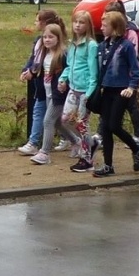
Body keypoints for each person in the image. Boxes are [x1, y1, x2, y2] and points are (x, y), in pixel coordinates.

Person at [87, 10, 139, 177]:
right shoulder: (103, 46)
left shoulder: (126, 46)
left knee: (114, 125)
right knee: (105, 128)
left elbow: (135, 69)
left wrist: (131, 87)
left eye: (105, 25)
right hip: (107, 90)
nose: (102, 28)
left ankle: (136, 148)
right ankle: (108, 166)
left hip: (121, 91)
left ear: (115, 28)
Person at [18, 9, 65, 155]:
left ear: (45, 23)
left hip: (54, 89)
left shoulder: (59, 49)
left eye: (37, 20)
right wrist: (27, 70)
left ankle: (43, 149)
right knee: (44, 115)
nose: (35, 23)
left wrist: (31, 71)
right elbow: (34, 59)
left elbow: (39, 63)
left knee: (52, 119)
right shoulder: (40, 42)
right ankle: (34, 143)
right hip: (42, 87)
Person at [28, 22, 72, 165]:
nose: (47, 40)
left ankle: (44, 153)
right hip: (47, 93)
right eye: (45, 37)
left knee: (48, 121)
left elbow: (69, 71)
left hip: (58, 94)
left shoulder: (63, 54)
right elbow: (39, 72)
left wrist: (64, 83)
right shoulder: (45, 54)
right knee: (58, 123)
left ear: (58, 38)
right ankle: (78, 142)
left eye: (51, 37)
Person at [60, 10, 99, 165]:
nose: (77, 25)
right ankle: (90, 142)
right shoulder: (72, 45)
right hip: (73, 88)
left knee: (82, 123)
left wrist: (89, 92)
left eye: (81, 22)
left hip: (85, 91)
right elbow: (69, 66)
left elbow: (93, 72)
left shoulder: (91, 45)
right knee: (65, 119)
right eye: (75, 21)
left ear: (88, 25)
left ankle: (87, 156)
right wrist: (63, 79)